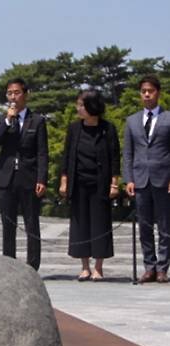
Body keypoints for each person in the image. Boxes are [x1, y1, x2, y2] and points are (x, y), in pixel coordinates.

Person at [59, 90, 120, 281]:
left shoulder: (108, 129)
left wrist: (114, 184)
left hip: (100, 183)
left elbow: (115, 157)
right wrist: (64, 181)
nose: (78, 108)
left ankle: (98, 267)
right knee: (80, 225)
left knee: (100, 224)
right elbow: (67, 155)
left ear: (92, 106)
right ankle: (84, 267)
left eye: (81, 105)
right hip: (78, 183)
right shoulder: (74, 128)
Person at [0, 78, 48, 271]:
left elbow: (42, 152)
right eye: (9, 93)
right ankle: (9, 264)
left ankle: (33, 265)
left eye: (16, 92)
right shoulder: (2, 119)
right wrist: (8, 120)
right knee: (8, 224)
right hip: (6, 178)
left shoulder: (37, 121)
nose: (13, 97)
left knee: (31, 222)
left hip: (29, 177)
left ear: (26, 94)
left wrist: (42, 178)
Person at [123, 75, 170, 283]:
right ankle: (149, 267)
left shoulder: (168, 118)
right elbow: (128, 153)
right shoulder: (132, 121)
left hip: (163, 178)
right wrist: (129, 179)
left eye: (150, 91)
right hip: (140, 179)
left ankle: (163, 268)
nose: (147, 94)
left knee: (165, 226)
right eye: (143, 91)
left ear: (158, 92)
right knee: (144, 227)